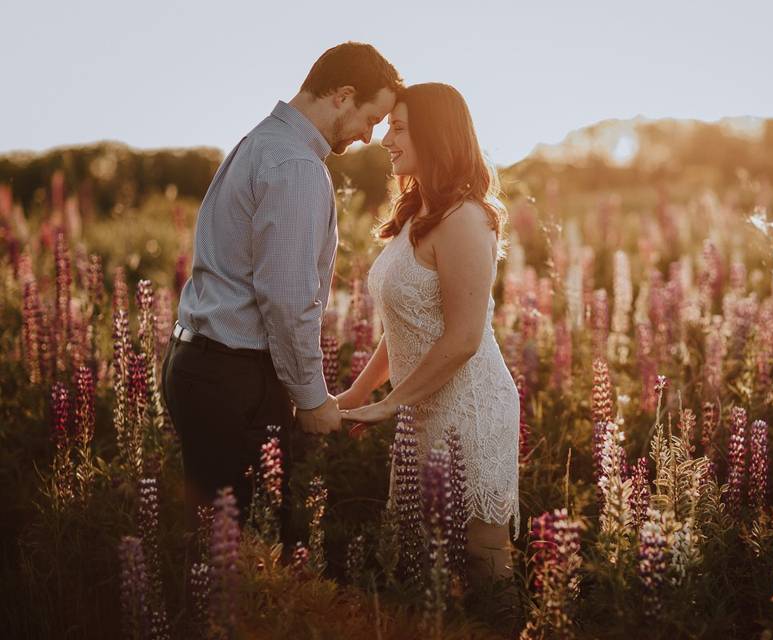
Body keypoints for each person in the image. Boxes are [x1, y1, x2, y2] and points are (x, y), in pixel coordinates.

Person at [160, 42, 403, 541]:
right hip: (234, 376)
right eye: (371, 118)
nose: (368, 136)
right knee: (249, 551)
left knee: (214, 543)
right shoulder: (294, 166)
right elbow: (286, 300)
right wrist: (312, 399)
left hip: (202, 365)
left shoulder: (262, 142)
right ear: (342, 95)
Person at [337, 82, 521, 584]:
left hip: (470, 408)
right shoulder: (418, 211)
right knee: (421, 558)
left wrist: (390, 403)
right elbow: (406, 322)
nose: (385, 139)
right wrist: (359, 392)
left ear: (434, 134)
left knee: (482, 559)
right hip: (421, 404)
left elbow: (463, 338)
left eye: (398, 128)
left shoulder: (464, 218)